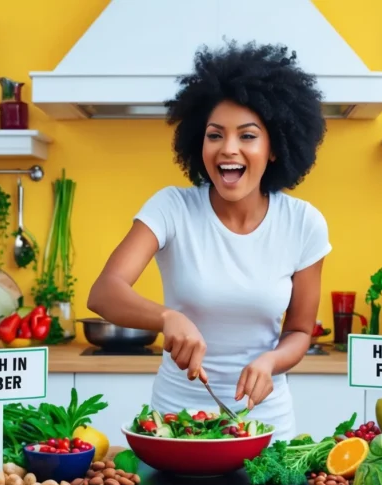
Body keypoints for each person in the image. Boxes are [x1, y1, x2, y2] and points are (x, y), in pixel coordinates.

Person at [86, 41, 331, 441]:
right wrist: (167, 318)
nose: (228, 148)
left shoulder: (303, 223)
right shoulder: (171, 208)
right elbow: (104, 292)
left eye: (248, 136)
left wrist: (270, 362)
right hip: (176, 426)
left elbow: (300, 331)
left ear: (274, 149)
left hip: (266, 425)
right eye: (215, 135)